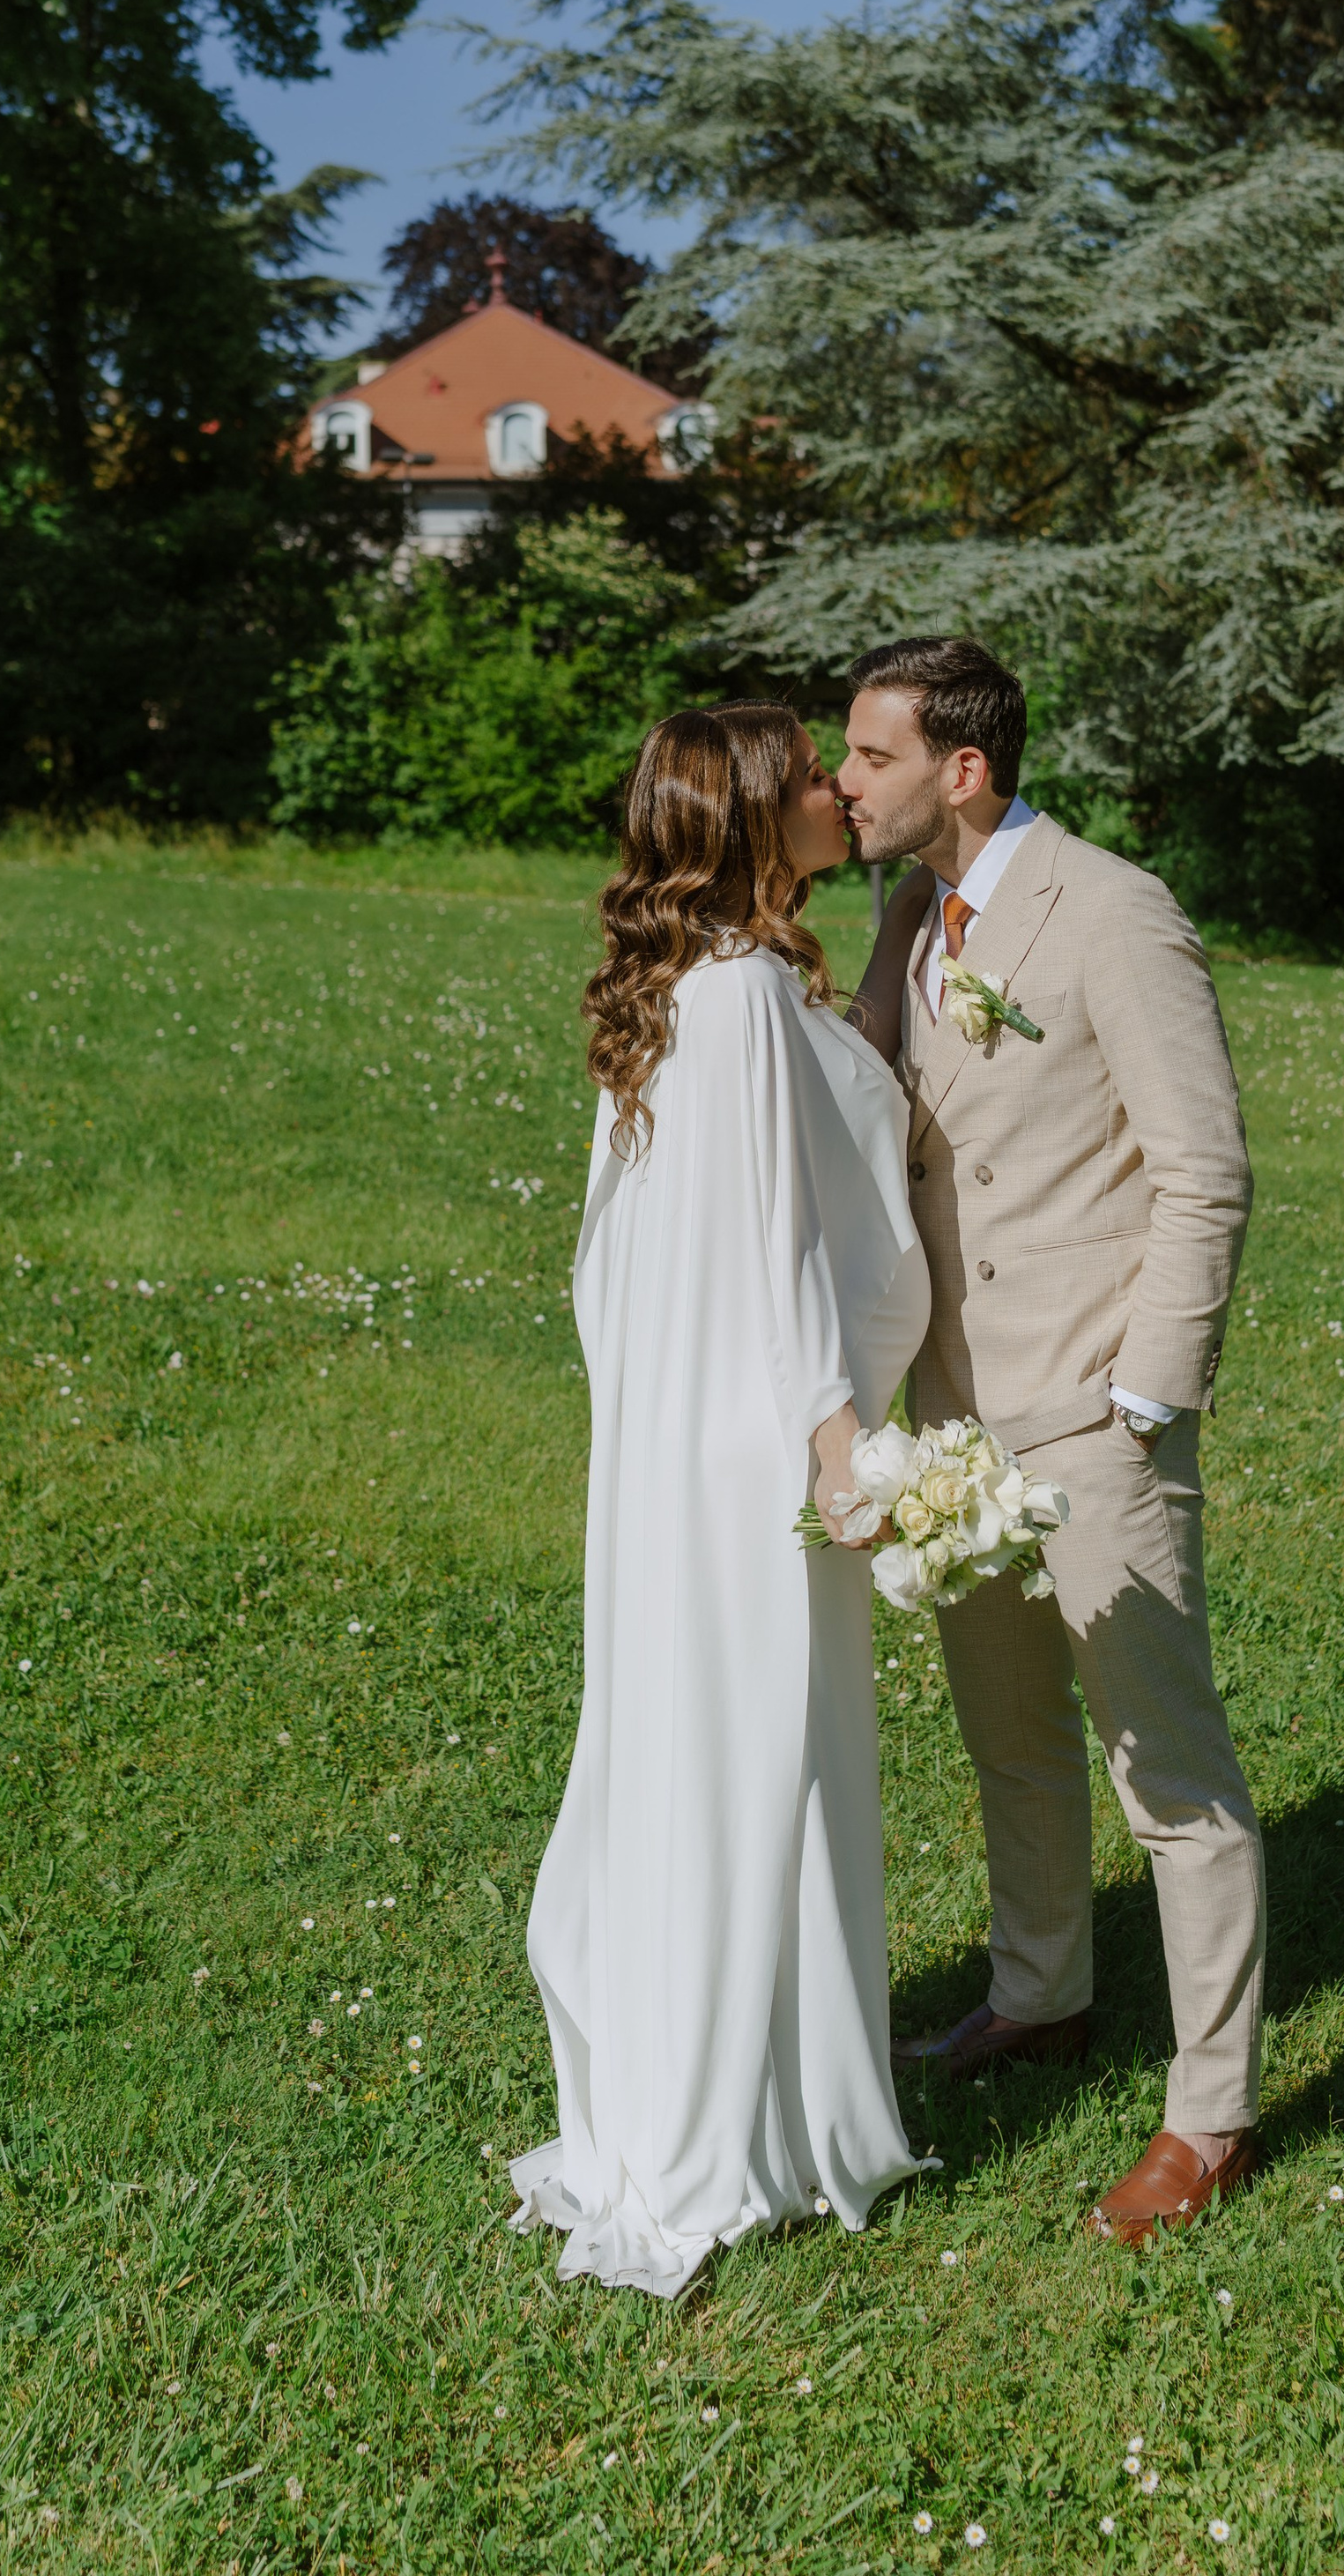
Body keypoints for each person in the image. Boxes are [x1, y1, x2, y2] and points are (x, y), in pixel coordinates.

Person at [838, 636, 1265, 2249]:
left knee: (1171, 1775)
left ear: (964, 768)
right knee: (1008, 1735)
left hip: (1090, 1409)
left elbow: (1204, 1170)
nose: (840, 780)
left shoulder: (1115, 909)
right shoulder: (911, 913)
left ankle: (1210, 2111)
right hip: (953, 1414)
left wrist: (1147, 1394)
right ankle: (1040, 1998)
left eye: (868, 757)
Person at [509, 702, 937, 2298]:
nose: (839, 787)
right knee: (763, 1760)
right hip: (761, 1449)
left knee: (689, 1747)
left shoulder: (673, 990)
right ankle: (740, 2117)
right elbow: (778, 1254)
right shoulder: (746, 994)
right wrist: (842, 1455)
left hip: (668, 1454)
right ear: (759, 812)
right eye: (814, 776)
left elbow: (611, 1261)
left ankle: (703, 2077)